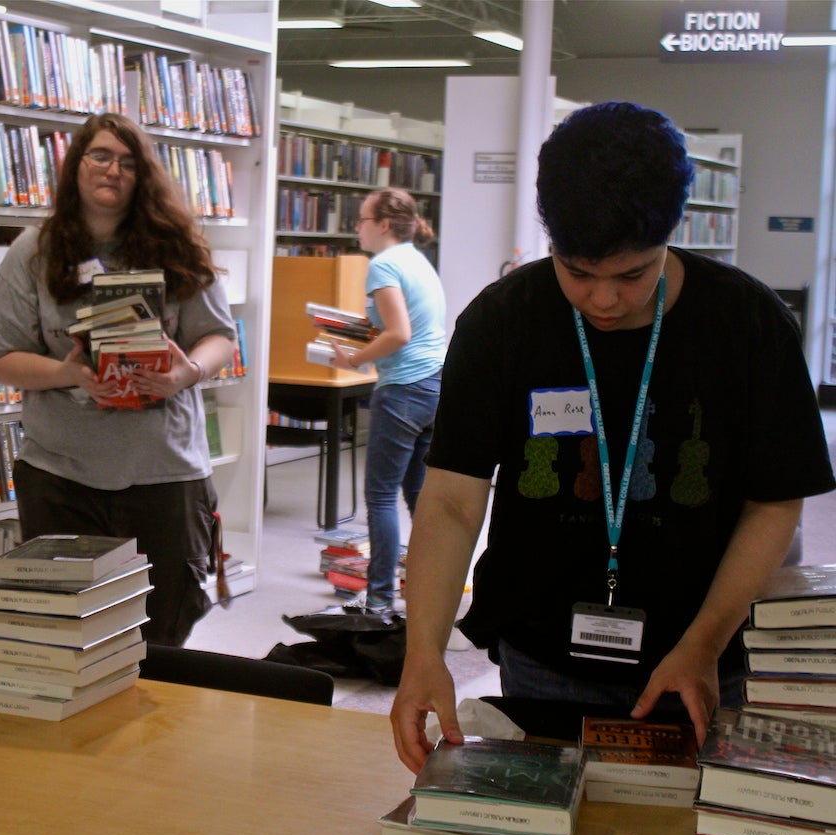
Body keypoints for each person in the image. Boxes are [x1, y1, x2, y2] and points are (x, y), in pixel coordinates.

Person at [391, 101, 836, 773]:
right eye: (578, 271)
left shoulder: (747, 322)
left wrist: (705, 643)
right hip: (543, 651)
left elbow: (773, 503)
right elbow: (452, 497)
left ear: (671, 235)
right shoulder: (501, 322)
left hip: (705, 651)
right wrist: (423, 652)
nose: (604, 300)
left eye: (632, 274)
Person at [0, 113, 238, 647]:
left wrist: (185, 373)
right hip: (60, 474)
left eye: (128, 162)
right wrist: (67, 372)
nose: (112, 170)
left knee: (162, 630)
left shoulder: (178, 248)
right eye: (100, 156)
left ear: (143, 176)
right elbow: (3, 357)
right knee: (65, 634)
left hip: (163, 472)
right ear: (76, 166)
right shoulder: (32, 251)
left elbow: (220, 338)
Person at [329, 188, 447, 614]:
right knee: (418, 495)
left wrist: (354, 359)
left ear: (381, 225)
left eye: (360, 220)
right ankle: (434, 587)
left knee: (380, 497)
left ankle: (380, 597)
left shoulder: (383, 264)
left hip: (403, 389)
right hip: (435, 385)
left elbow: (399, 334)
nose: (356, 227)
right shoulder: (417, 260)